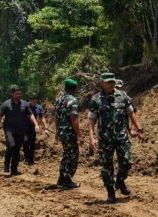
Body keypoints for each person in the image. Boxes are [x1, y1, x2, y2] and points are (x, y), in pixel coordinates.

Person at [88, 72, 145, 204]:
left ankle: (120, 180)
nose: (110, 84)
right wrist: (92, 138)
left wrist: (139, 129)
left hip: (122, 137)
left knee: (126, 161)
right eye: (107, 82)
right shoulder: (96, 100)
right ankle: (111, 192)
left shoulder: (123, 96)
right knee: (106, 166)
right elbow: (92, 120)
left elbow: (131, 113)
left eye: (112, 82)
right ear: (102, 82)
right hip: (105, 139)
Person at [0, 86, 39, 177]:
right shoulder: (6, 104)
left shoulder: (25, 104)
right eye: (17, 94)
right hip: (9, 130)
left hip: (20, 131)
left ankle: (14, 169)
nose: (19, 95)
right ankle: (6, 166)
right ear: (12, 94)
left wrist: (36, 124)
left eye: (20, 94)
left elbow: (30, 115)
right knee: (11, 146)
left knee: (17, 149)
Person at [54, 79, 82, 189]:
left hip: (62, 132)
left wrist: (57, 133)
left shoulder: (59, 100)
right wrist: (79, 134)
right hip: (70, 133)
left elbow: (56, 117)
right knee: (73, 156)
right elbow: (73, 118)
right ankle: (67, 180)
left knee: (66, 154)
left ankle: (61, 179)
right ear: (74, 89)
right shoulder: (73, 100)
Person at [22, 95, 48, 165]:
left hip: (33, 128)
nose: (34, 102)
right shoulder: (25, 106)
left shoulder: (38, 107)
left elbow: (42, 117)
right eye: (33, 100)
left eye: (35, 101)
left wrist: (46, 128)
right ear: (30, 100)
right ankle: (26, 158)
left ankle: (31, 159)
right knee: (25, 142)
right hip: (24, 127)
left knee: (32, 143)